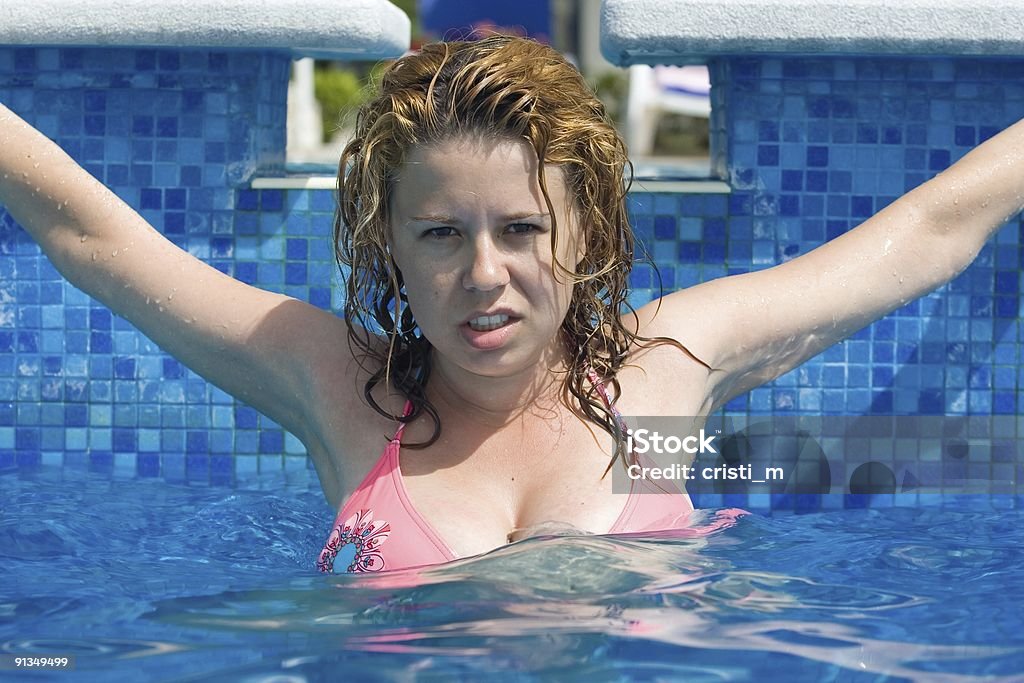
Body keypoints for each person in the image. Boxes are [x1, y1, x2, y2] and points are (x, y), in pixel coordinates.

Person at [1, 35, 1021, 574]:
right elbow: (95, 239)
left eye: (522, 230)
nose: (482, 273)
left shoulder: (664, 368)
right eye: (440, 234)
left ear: (583, 237)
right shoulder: (338, 389)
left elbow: (927, 232)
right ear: (389, 250)